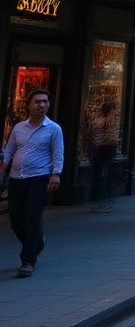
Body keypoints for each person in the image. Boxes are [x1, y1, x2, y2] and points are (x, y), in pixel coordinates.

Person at [0, 89, 63, 278]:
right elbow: (9, 150)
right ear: (29, 105)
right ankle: (37, 242)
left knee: (33, 218)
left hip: (39, 178)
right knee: (16, 221)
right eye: (37, 101)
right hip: (16, 178)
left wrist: (56, 175)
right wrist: (2, 169)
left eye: (45, 101)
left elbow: (58, 153)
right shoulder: (19, 128)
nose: (42, 105)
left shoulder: (53, 129)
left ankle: (27, 260)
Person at [89, 100, 119, 213]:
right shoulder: (108, 120)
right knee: (105, 174)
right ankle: (104, 201)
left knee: (98, 173)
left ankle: (99, 201)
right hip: (107, 148)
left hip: (100, 148)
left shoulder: (98, 120)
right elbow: (110, 135)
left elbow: (95, 133)